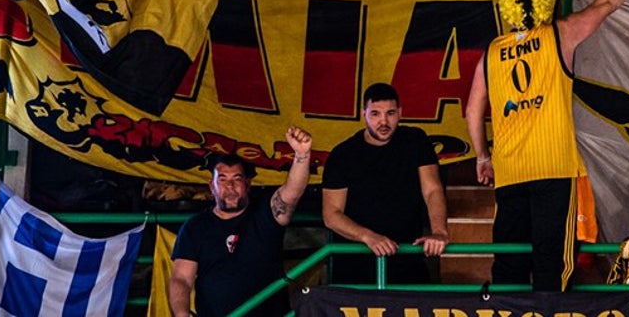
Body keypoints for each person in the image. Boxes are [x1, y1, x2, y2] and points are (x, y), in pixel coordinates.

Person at [465, 0, 629, 291]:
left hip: (509, 173)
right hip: (553, 169)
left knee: (507, 267)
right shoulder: (558, 34)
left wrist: (482, 156)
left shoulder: (491, 53)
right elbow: (607, 3)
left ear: (507, 9)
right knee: (553, 268)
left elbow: (472, 111)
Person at [168, 128, 315, 317]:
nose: (230, 186)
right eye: (222, 180)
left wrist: (302, 155)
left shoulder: (266, 215)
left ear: (247, 184)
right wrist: (181, 314)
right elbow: (181, 279)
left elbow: (292, 192)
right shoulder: (195, 227)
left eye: (236, 179)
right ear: (212, 187)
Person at [321, 83, 449, 284]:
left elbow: (432, 189)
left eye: (390, 113)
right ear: (364, 114)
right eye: (375, 114)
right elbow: (331, 215)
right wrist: (368, 237)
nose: (384, 121)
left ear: (400, 113)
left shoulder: (415, 140)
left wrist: (439, 231)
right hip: (355, 267)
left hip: (407, 260)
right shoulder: (343, 155)